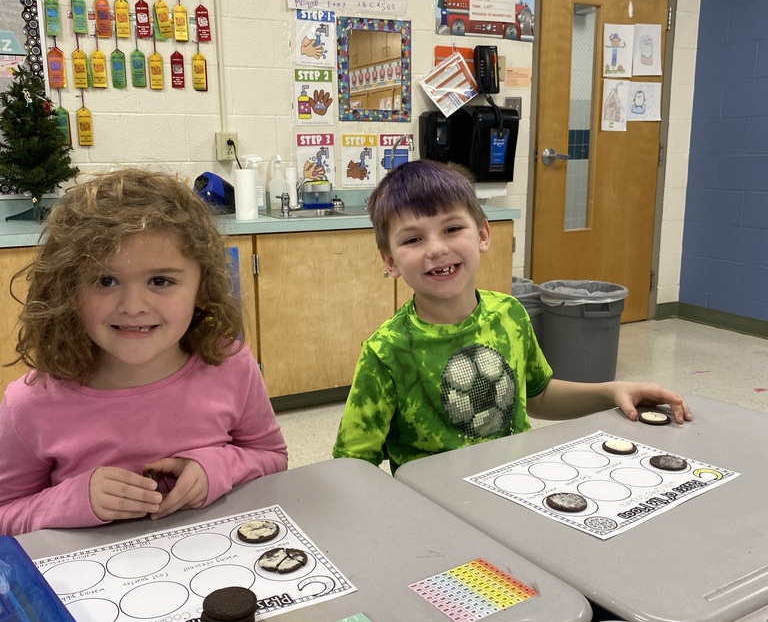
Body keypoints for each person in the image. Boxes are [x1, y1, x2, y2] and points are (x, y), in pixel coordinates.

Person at [333, 160, 691, 471]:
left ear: (483, 234)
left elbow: (538, 396)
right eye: (413, 240)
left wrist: (614, 390)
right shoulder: (386, 352)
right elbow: (352, 465)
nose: (437, 249)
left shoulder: (510, 314)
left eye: (452, 229)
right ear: (390, 261)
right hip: (438, 512)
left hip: (518, 485)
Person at [0, 168, 288, 535]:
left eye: (160, 281)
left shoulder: (231, 365)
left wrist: (214, 468)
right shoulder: (30, 403)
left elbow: (272, 457)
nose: (133, 306)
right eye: (105, 281)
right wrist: (74, 499)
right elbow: (5, 513)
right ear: (66, 289)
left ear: (203, 285)